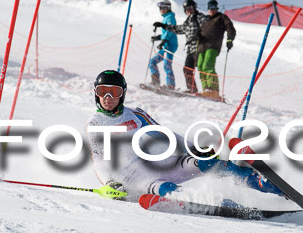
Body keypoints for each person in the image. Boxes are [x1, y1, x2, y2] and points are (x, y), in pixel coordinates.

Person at [86, 70, 283, 200]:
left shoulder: (136, 114)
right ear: (96, 93)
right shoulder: (96, 123)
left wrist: (195, 149)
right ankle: (217, 205)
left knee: (207, 163)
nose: (108, 97)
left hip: (158, 164)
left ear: (123, 93)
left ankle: (264, 184)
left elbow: (166, 134)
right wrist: (109, 183)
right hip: (132, 178)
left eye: (114, 91)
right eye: (103, 91)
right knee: (168, 190)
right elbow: (98, 159)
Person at [154, 0, 205, 94]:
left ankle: (209, 90)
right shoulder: (188, 20)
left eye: (190, 8)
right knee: (187, 69)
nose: (188, 10)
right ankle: (192, 89)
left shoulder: (200, 17)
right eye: (186, 9)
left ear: (194, 7)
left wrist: (202, 34)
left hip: (200, 48)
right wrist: (164, 26)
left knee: (203, 69)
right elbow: (178, 29)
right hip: (191, 50)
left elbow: (208, 26)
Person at [198, 0, 236, 101]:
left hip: (213, 45)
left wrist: (230, 38)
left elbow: (230, 27)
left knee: (208, 65)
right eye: (210, 8)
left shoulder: (221, 17)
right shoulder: (206, 20)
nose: (212, 10)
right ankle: (206, 89)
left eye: (214, 8)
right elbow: (201, 32)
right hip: (202, 46)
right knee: (201, 66)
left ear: (217, 8)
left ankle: (213, 89)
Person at [148, 0, 178, 88]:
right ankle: (155, 81)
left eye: (163, 8)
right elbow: (165, 33)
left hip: (170, 44)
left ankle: (171, 85)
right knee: (152, 61)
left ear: (168, 8)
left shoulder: (170, 18)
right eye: (160, 8)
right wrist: (157, 38)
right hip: (165, 45)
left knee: (167, 64)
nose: (161, 9)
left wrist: (163, 41)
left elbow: (170, 31)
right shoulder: (165, 18)